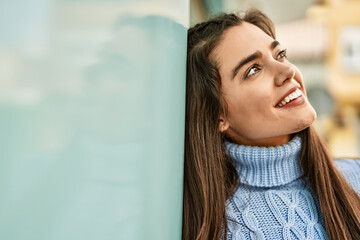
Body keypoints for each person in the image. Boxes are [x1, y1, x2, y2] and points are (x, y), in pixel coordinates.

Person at [182, 9, 360, 240]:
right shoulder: (230, 229)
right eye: (253, 70)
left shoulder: (353, 177)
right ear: (217, 115)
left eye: (279, 55)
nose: (287, 71)